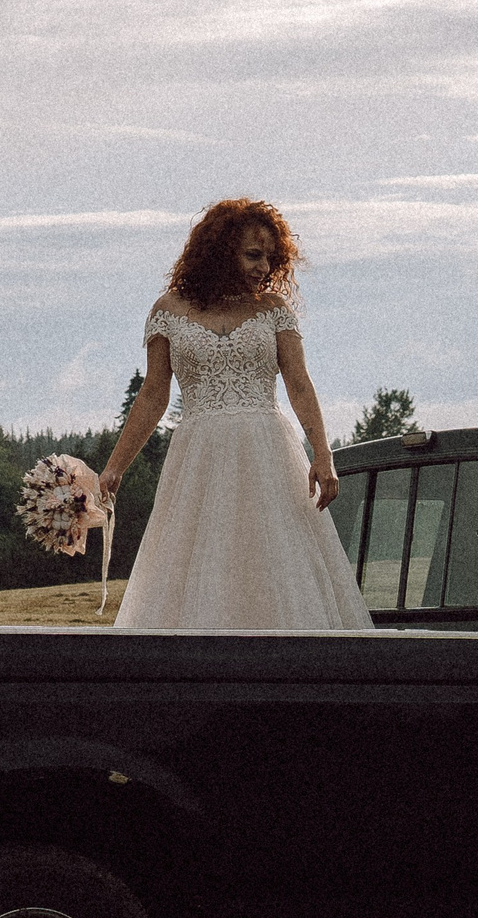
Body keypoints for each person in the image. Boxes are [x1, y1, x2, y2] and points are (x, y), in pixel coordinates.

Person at [98, 199, 373, 630]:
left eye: (270, 257)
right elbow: (153, 394)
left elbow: (299, 384)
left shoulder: (274, 311)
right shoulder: (168, 311)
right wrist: (115, 467)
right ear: (220, 250)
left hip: (267, 453)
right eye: (253, 254)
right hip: (198, 456)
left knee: (275, 561)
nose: (264, 267)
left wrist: (324, 455)